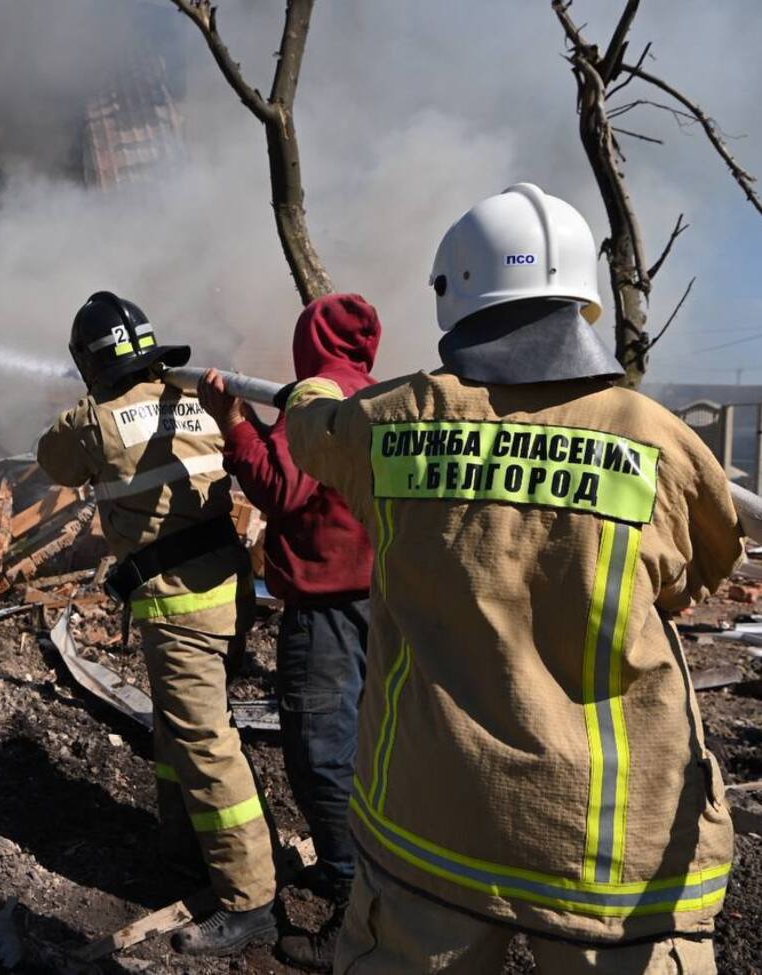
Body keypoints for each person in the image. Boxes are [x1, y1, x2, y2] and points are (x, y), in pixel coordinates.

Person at [281, 184, 743, 974]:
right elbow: (702, 567)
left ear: (452, 294)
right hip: (610, 852)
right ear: (581, 297)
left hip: (432, 827)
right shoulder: (654, 438)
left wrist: (318, 383)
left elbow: (309, 430)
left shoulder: (394, 420)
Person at [36, 291, 278, 957]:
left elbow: (52, 457)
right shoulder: (192, 395)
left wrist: (86, 403)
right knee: (177, 723)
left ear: (87, 362)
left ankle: (250, 897)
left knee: (204, 742)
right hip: (229, 589)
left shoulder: (95, 419)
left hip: (180, 608)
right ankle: (184, 843)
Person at [196, 294, 380, 971]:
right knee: (372, 749)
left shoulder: (316, 397)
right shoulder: (378, 393)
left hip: (327, 609)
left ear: (309, 341)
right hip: (383, 602)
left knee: (323, 754)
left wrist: (235, 423)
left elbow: (279, 487)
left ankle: (353, 904)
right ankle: (376, 879)